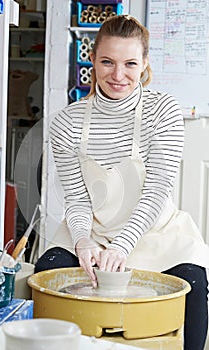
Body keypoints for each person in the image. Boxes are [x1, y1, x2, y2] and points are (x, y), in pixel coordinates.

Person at [35, 15, 209, 350]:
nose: (118, 75)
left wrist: (122, 247)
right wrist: (84, 240)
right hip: (94, 231)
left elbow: (156, 190)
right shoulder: (67, 122)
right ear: (93, 61)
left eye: (130, 63)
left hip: (157, 232)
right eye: (107, 62)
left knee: (193, 282)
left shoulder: (163, 111)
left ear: (144, 63)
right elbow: (77, 197)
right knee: (48, 271)